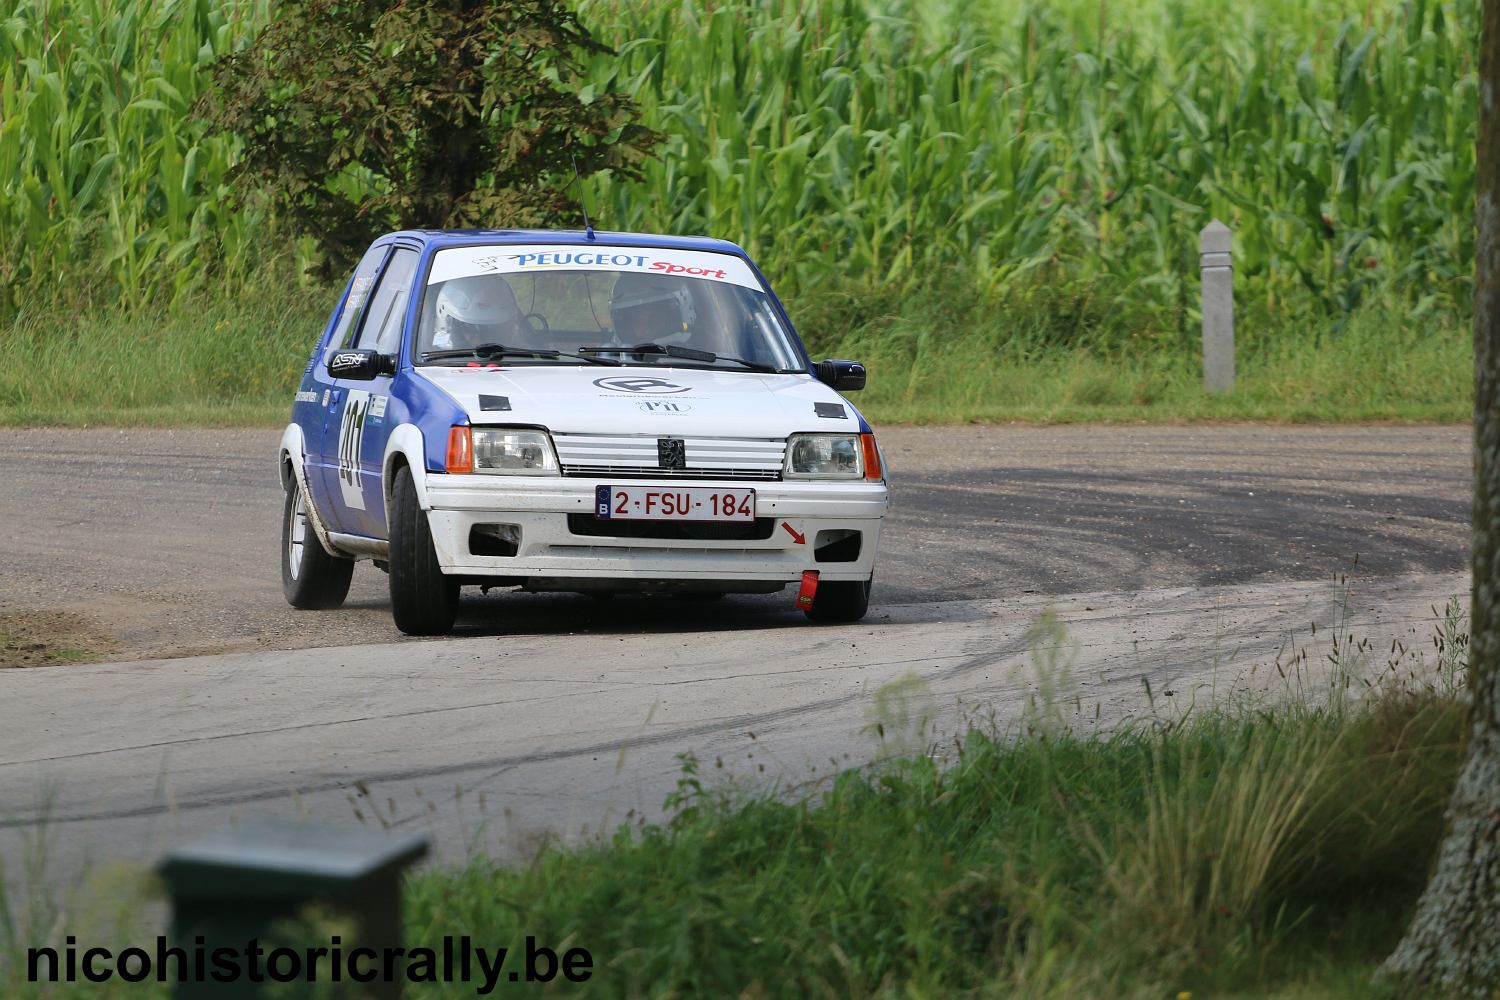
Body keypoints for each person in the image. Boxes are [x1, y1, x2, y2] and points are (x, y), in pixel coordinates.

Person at [430, 275, 541, 352]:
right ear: (450, 325)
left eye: (491, 330)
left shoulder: (524, 356)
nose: (480, 340)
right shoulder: (432, 366)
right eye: (471, 328)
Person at [608, 273, 700, 347]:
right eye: (636, 317)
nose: (645, 323)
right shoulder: (611, 357)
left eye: (653, 314)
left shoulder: (698, 354)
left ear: (671, 315)